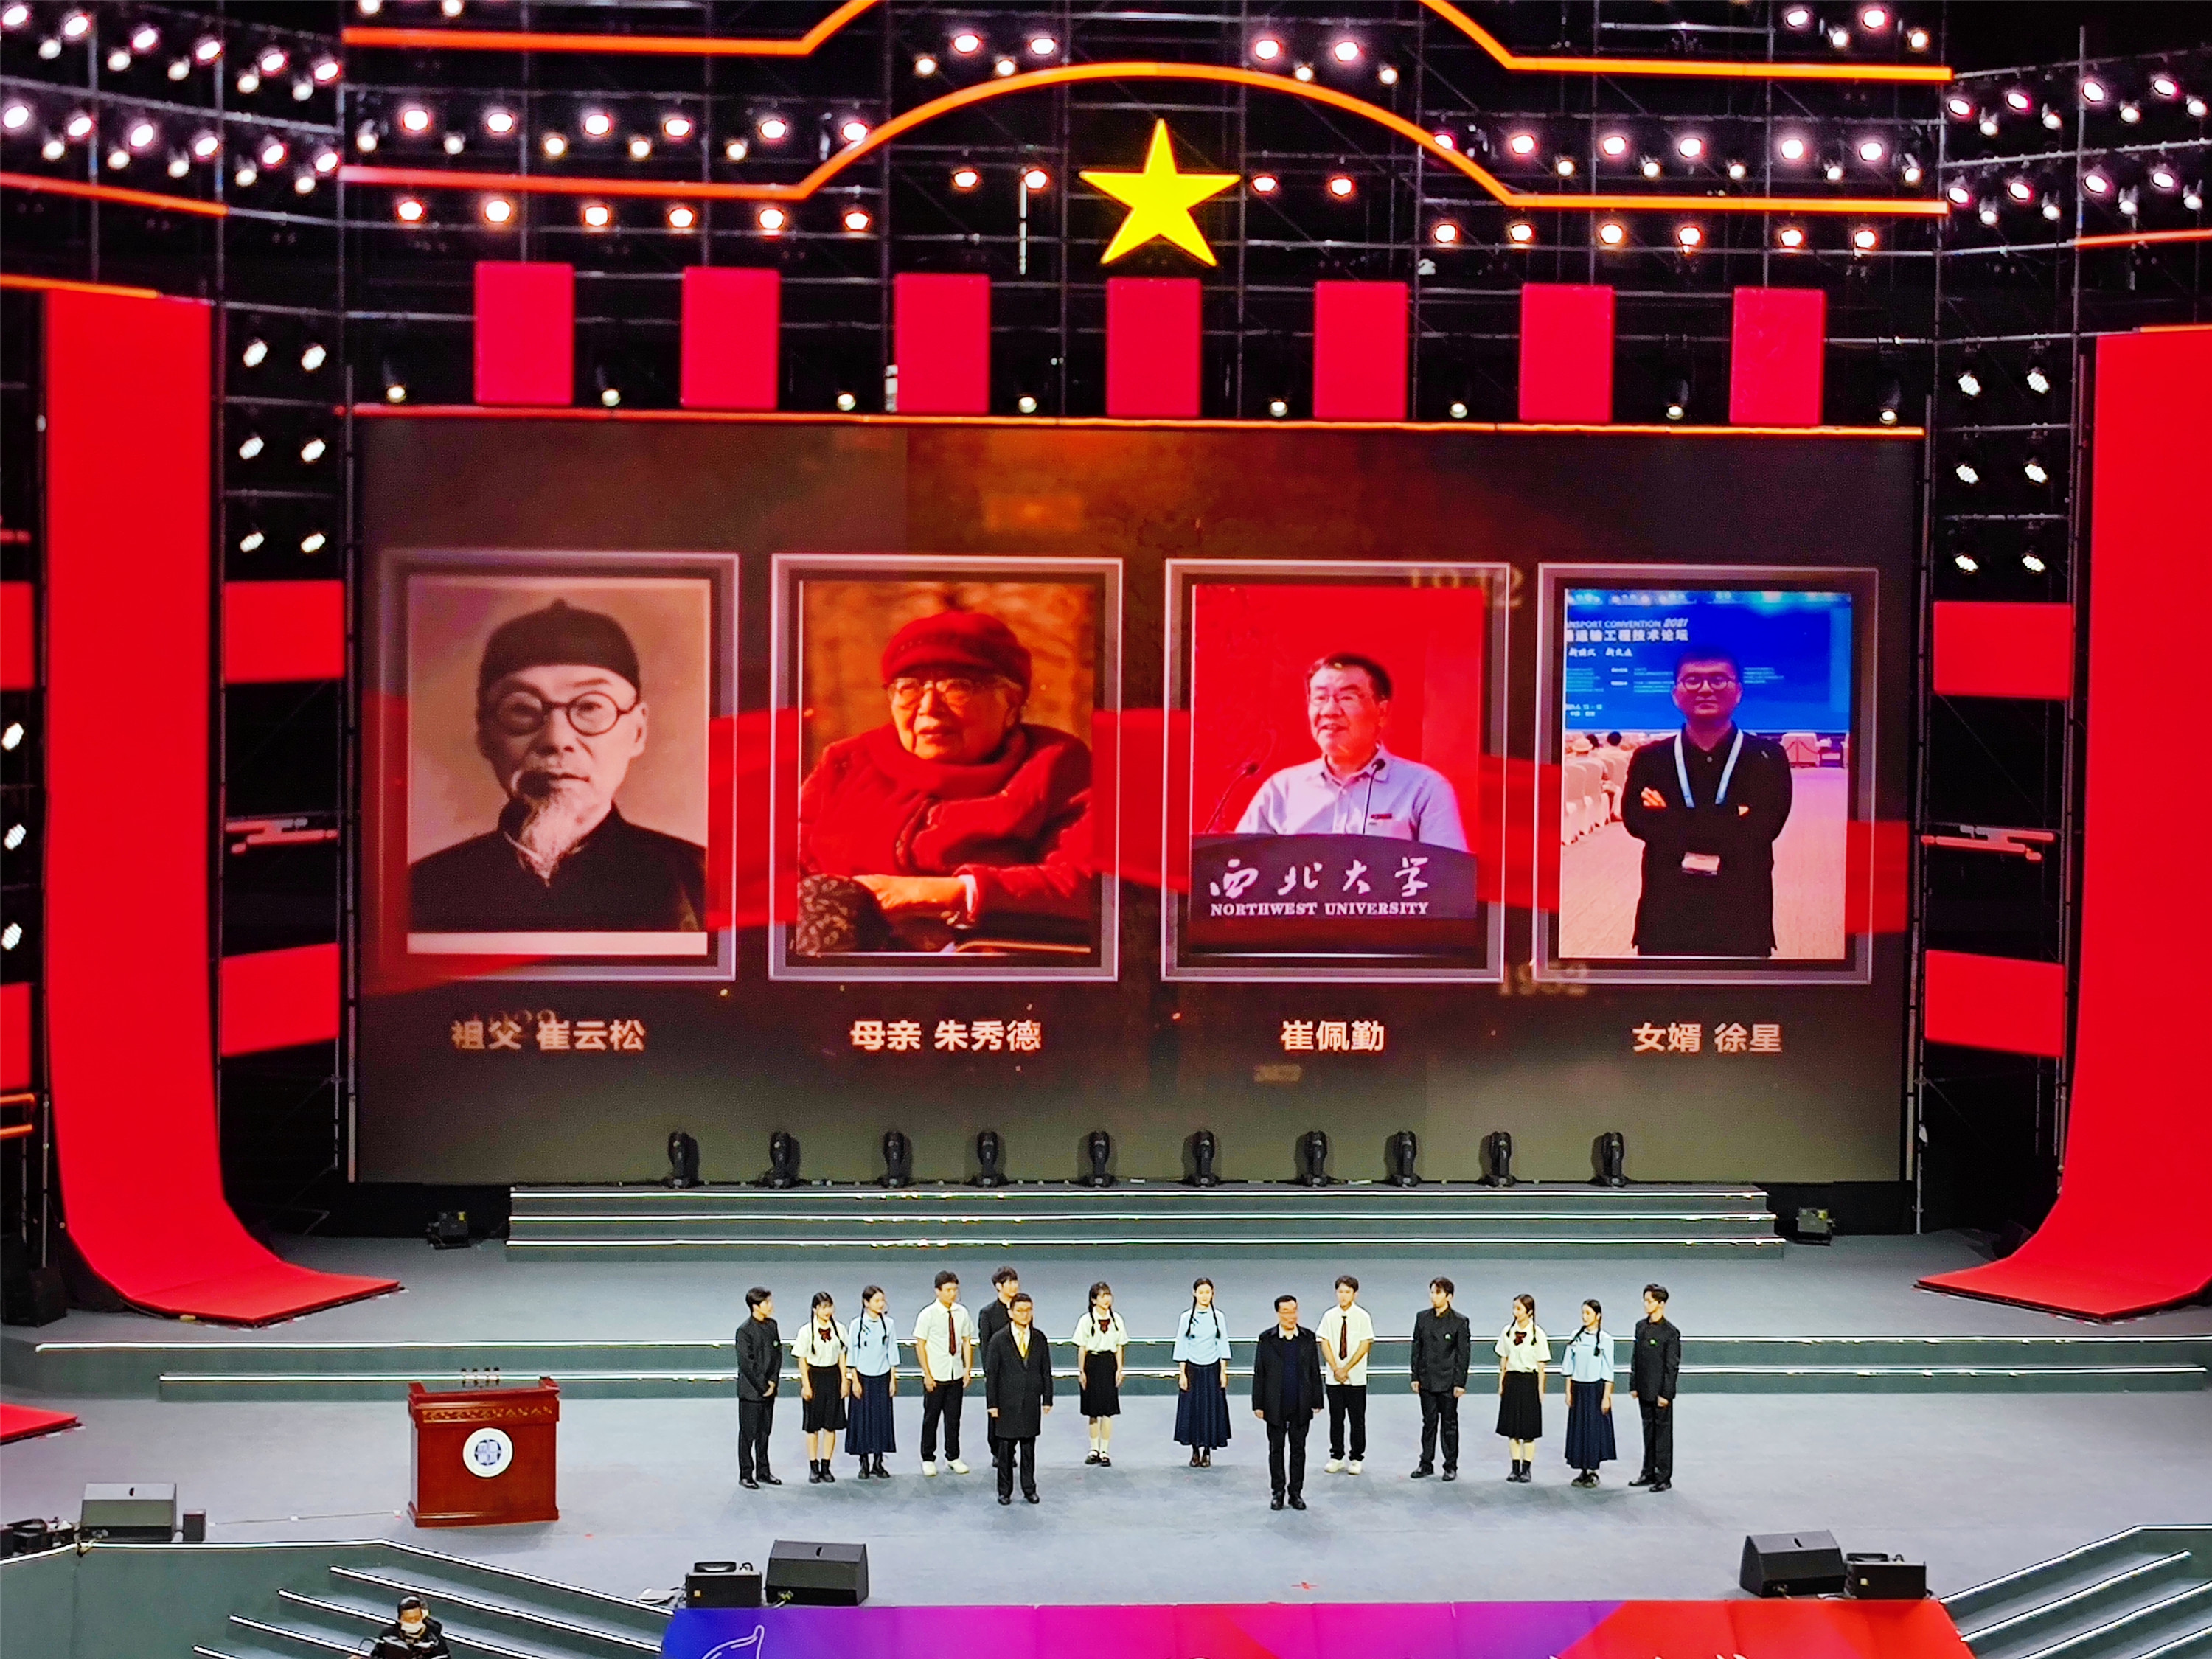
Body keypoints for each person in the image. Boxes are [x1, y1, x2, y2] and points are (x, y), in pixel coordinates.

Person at [795, 610, 1096, 954]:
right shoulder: (847, 762)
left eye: (957, 687)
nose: (928, 707)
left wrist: (942, 893)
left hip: (982, 960)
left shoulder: (1055, 765)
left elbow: (1092, 883)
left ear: (1011, 702)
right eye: (908, 688)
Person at [411, 600, 706, 933]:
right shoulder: (421, 890)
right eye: (522, 709)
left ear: (638, 731)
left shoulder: (700, 882)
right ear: (485, 735)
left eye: (590, 707)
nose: (556, 739)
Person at [1620, 647, 1795, 957]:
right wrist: (1732, 816)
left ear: (1738, 692)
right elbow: (1636, 822)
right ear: (1675, 694)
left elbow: (1764, 829)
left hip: (1742, 916)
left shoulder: (1767, 758)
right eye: (1692, 680)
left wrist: (1670, 816)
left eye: (1718, 680)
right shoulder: (1650, 759)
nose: (1704, 689)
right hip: (1665, 917)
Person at [1236, 654, 1467, 849]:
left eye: (1347, 697)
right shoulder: (1282, 790)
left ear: (1381, 712)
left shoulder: (1422, 789)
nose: (1330, 710)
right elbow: (1240, 869)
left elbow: (1446, 878)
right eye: (1319, 698)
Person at [1251, 1294, 1326, 1511]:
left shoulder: (1307, 1338)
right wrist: (1258, 1404)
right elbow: (1260, 1373)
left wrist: (1317, 1400)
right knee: (1276, 1449)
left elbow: (1314, 1370)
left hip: (1301, 1403)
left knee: (1298, 1450)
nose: (1291, 1316)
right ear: (1278, 1314)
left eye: (1294, 1311)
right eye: (1286, 1312)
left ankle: (1296, 1493)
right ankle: (1278, 1492)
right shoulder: (1267, 1339)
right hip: (1275, 1404)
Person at [984, 1291, 1054, 1505]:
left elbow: (1046, 1370)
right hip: (1006, 1403)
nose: (1025, 1314)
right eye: (1020, 1310)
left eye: (1028, 1310)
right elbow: (992, 1374)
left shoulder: (1039, 1338)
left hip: (1030, 1401)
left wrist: (1047, 1398)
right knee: (1005, 1451)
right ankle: (1004, 1491)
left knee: (1029, 1449)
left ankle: (1029, 1488)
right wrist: (992, 1404)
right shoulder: (999, 1340)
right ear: (1011, 1312)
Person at [911, 1270, 975, 1477]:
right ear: (937, 1291)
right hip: (936, 1374)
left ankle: (953, 1456)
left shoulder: (961, 1312)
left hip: (955, 1373)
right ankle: (928, 1458)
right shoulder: (928, 1314)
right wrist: (927, 1374)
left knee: (953, 1418)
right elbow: (920, 1344)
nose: (952, 1294)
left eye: (955, 1289)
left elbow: (967, 1341)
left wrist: (967, 1369)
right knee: (931, 1418)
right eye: (948, 1290)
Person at [1408, 1276, 1470, 1481]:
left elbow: (1463, 1355)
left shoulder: (1460, 1322)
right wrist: (1415, 1376)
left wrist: (1460, 1383)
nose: (1433, 1296)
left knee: (1449, 1426)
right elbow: (1416, 1349)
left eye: (1438, 1293)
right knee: (1429, 1423)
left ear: (1449, 1297)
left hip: (1448, 1383)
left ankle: (1450, 1465)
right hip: (1427, 1381)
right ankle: (1425, 1463)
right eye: (1432, 1292)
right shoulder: (1422, 1318)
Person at [1315, 1273, 1374, 1475]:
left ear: (1355, 1294)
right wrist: (1335, 1368)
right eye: (1340, 1291)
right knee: (1336, 1419)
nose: (1343, 1295)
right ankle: (1337, 1456)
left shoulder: (1363, 1317)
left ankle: (1356, 1458)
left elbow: (1365, 1344)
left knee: (1357, 1419)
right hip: (1334, 1379)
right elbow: (1324, 1342)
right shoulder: (1329, 1316)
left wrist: (1347, 1368)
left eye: (1347, 1292)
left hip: (1355, 1378)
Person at [1172, 1276, 1232, 1467]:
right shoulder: (1186, 1318)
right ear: (1194, 1294)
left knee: (1210, 1410)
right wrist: (1182, 1373)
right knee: (1193, 1410)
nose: (1205, 1296)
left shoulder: (1219, 1317)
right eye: (1201, 1292)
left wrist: (1223, 1371)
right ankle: (1195, 1451)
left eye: (1208, 1292)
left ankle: (1207, 1451)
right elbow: (1182, 1344)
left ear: (1213, 1294)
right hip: (1192, 1369)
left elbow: (1222, 1343)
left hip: (1212, 1369)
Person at [1560, 1298, 1618, 1489]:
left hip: (1595, 1390)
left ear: (1598, 1316)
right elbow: (1568, 1366)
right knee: (1579, 1429)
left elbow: (1608, 1370)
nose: (1584, 1317)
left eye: (1588, 1313)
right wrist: (1568, 1391)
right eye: (1583, 1313)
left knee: (1593, 1430)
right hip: (1578, 1389)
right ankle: (1582, 1470)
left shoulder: (1606, 1340)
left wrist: (1607, 1396)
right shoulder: (1575, 1337)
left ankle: (1593, 1470)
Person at [1630, 1283, 1681, 1493]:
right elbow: (1636, 1358)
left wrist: (1666, 1394)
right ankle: (1648, 1472)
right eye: (1645, 1300)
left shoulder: (1670, 1333)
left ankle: (1663, 1477)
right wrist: (1634, 1384)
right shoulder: (1640, 1327)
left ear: (1661, 1303)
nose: (1646, 1304)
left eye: (1649, 1301)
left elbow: (1671, 1367)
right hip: (1644, 1390)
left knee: (1662, 1435)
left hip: (1660, 1393)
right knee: (1648, 1432)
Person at [1495, 1293, 1551, 1484]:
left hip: (1529, 1382)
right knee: (1512, 1429)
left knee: (1528, 1431)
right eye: (1514, 1308)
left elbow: (1541, 1366)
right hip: (1512, 1380)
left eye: (1519, 1309)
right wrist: (1501, 1383)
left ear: (1530, 1312)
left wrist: (1540, 1390)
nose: (1515, 1312)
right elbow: (1504, 1360)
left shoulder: (1538, 1335)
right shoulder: (1507, 1332)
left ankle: (1526, 1469)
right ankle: (1515, 1468)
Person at [1071, 1281, 1128, 1466]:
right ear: (1094, 1300)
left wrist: (1119, 1369)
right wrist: (1082, 1371)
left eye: (1108, 1295)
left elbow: (1119, 1346)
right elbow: (1082, 1348)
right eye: (1102, 1296)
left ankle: (1105, 1451)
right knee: (1093, 1411)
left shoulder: (1117, 1320)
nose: (1106, 1299)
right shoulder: (1086, 1320)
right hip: (1092, 1364)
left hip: (1108, 1364)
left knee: (1108, 1412)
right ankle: (1094, 1449)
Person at [796, 1291, 849, 1484]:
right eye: (823, 1307)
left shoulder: (839, 1329)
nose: (827, 1311)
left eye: (829, 1307)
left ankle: (826, 1466)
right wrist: (806, 1384)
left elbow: (842, 1355)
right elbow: (802, 1359)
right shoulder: (806, 1331)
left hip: (833, 1376)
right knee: (813, 1426)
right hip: (815, 1377)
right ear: (815, 1309)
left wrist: (844, 1380)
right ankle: (813, 1466)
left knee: (831, 1425)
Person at [844, 1284, 897, 1478]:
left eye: (882, 1300)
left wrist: (892, 1379)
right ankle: (864, 1462)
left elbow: (892, 1352)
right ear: (866, 1303)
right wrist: (855, 1380)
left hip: (882, 1377)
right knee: (862, 1421)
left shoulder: (889, 1324)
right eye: (876, 1301)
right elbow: (853, 1353)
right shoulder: (856, 1325)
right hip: (863, 1378)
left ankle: (878, 1461)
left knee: (881, 1420)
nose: (881, 1304)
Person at [734, 1286, 782, 1490]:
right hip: (751, 1393)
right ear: (755, 1306)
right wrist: (763, 1386)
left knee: (764, 1433)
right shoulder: (745, 1331)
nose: (771, 1306)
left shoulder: (772, 1326)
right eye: (767, 1302)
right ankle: (746, 1473)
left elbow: (777, 1355)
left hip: (769, 1389)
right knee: (748, 1434)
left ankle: (763, 1471)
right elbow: (747, 1364)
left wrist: (773, 1381)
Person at [976, 1265, 1020, 1469]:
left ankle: (1012, 1451)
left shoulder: (1021, 1309)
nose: (1014, 1286)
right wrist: (989, 1372)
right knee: (996, 1413)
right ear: (998, 1286)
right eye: (1009, 1282)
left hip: (1017, 1371)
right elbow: (985, 1345)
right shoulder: (988, 1313)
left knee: (1017, 1412)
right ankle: (997, 1452)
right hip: (997, 1371)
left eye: (1015, 1282)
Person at [372, 1596, 451, 1658]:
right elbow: (376, 1655)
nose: (413, 1622)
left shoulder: (433, 1637)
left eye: (416, 1618)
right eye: (408, 1619)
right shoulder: (389, 1634)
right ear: (400, 1619)